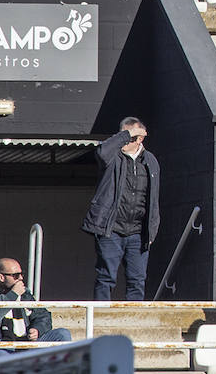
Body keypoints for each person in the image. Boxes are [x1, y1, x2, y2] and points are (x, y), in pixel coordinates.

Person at [83, 117, 160, 300]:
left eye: (131, 137)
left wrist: (152, 230)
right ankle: (100, 316)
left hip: (138, 232)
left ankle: (133, 319)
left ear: (140, 139)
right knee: (106, 277)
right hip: (111, 229)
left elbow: (154, 197)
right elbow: (102, 152)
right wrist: (127, 134)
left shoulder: (150, 160)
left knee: (137, 279)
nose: (125, 141)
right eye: (122, 136)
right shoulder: (113, 156)